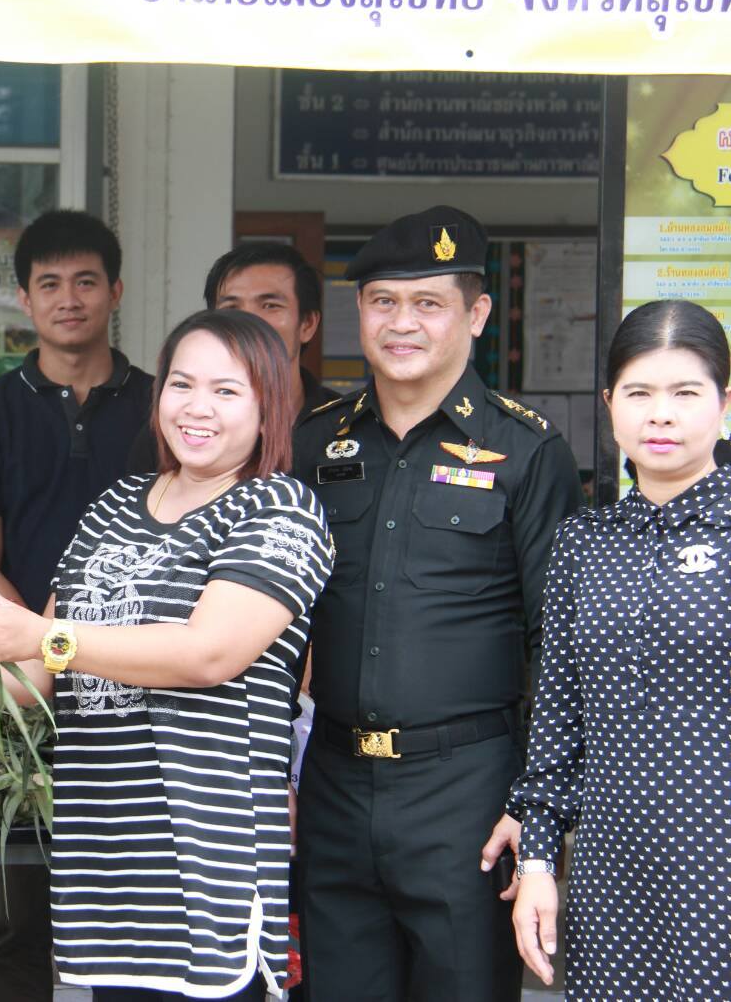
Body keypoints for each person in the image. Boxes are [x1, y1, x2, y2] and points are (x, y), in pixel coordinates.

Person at [0, 308, 335, 1000]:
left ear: (269, 406)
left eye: (226, 390)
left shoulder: (279, 510)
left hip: (205, 864)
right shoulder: (115, 505)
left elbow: (208, 653)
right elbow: (42, 673)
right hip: (105, 865)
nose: (196, 407)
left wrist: (45, 637)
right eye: (181, 384)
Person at [289, 205, 582, 1002]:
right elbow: (280, 621)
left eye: (428, 303)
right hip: (333, 784)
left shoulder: (527, 451)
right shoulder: (313, 443)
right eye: (383, 301)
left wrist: (536, 808)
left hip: (468, 795)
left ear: (476, 314)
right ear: (358, 311)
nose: (401, 322)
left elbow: (557, 645)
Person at [493, 299, 731, 997]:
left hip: (716, 863)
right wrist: (538, 863)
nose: (660, 415)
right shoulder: (583, 542)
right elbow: (557, 721)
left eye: (685, 393)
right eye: (638, 392)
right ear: (608, 404)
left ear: (724, 403)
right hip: (612, 875)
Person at [0, 209, 152, 1002]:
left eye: (86, 281)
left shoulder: (163, 406)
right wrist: (34, 644)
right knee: (23, 912)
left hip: (141, 682)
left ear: (115, 291)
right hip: (21, 687)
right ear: (24, 299)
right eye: (50, 284)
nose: (69, 299)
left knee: (134, 916)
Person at [129, 241, 336, 473]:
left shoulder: (344, 426)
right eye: (231, 308)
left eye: (270, 305)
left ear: (307, 324)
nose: (248, 321)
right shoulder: (176, 432)